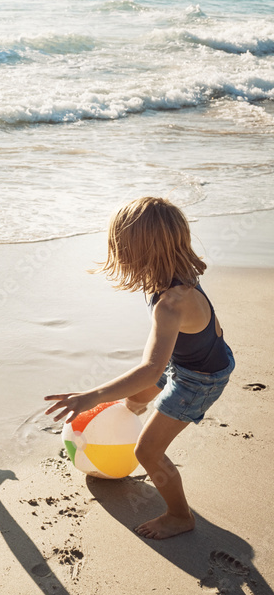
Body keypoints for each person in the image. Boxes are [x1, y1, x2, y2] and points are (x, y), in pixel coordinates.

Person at [45, 196, 235, 540]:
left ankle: (180, 516)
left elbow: (150, 369)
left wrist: (92, 395)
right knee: (136, 398)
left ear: (137, 253)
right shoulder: (173, 273)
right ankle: (130, 414)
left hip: (201, 379)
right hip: (195, 358)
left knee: (147, 450)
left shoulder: (172, 304)